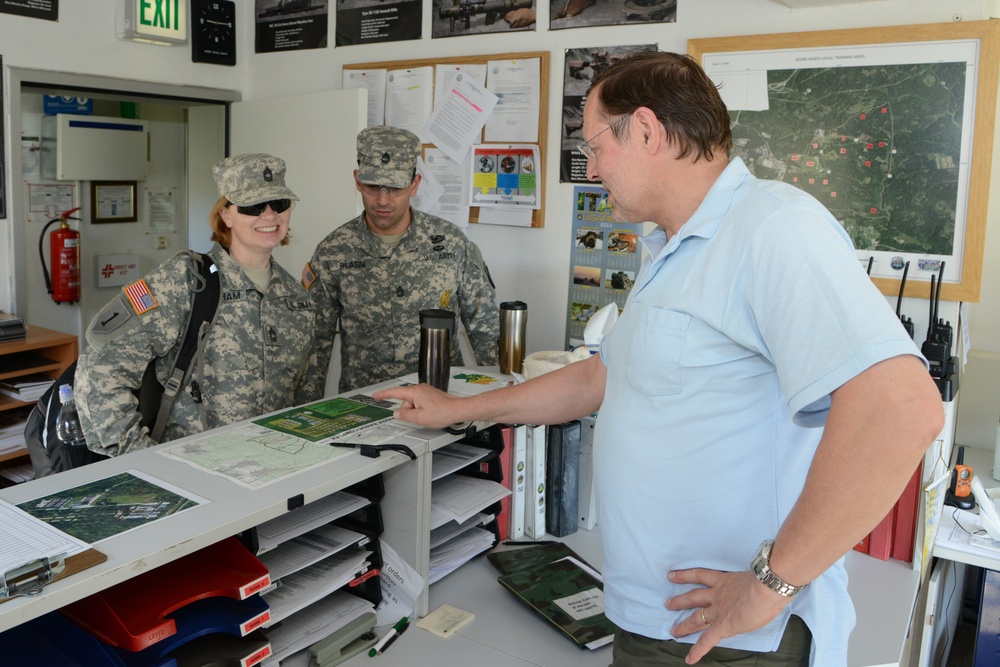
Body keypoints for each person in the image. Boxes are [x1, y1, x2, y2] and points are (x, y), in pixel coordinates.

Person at [373, 51, 944, 665]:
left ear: (645, 130)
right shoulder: (671, 247)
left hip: (733, 638)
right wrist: (460, 408)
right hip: (652, 617)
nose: (590, 169)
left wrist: (771, 584)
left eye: (594, 146)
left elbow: (901, 408)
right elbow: (601, 377)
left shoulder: (772, 227)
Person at [76, 153, 324, 456]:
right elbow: (99, 369)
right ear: (226, 215)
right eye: (253, 206)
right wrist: (139, 458)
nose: (270, 216)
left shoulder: (298, 299)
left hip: (270, 468)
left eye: (279, 204)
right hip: (194, 471)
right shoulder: (186, 282)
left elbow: (305, 398)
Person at [303, 125, 500, 393]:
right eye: (373, 186)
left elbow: (486, 330)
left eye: (395, 187)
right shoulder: (333, 251)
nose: (382, 200)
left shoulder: (452, 244)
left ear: (414, 184)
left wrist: (501, 405)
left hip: (441, 401)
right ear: (357, 180)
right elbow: (315, 345)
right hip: (366, 404)